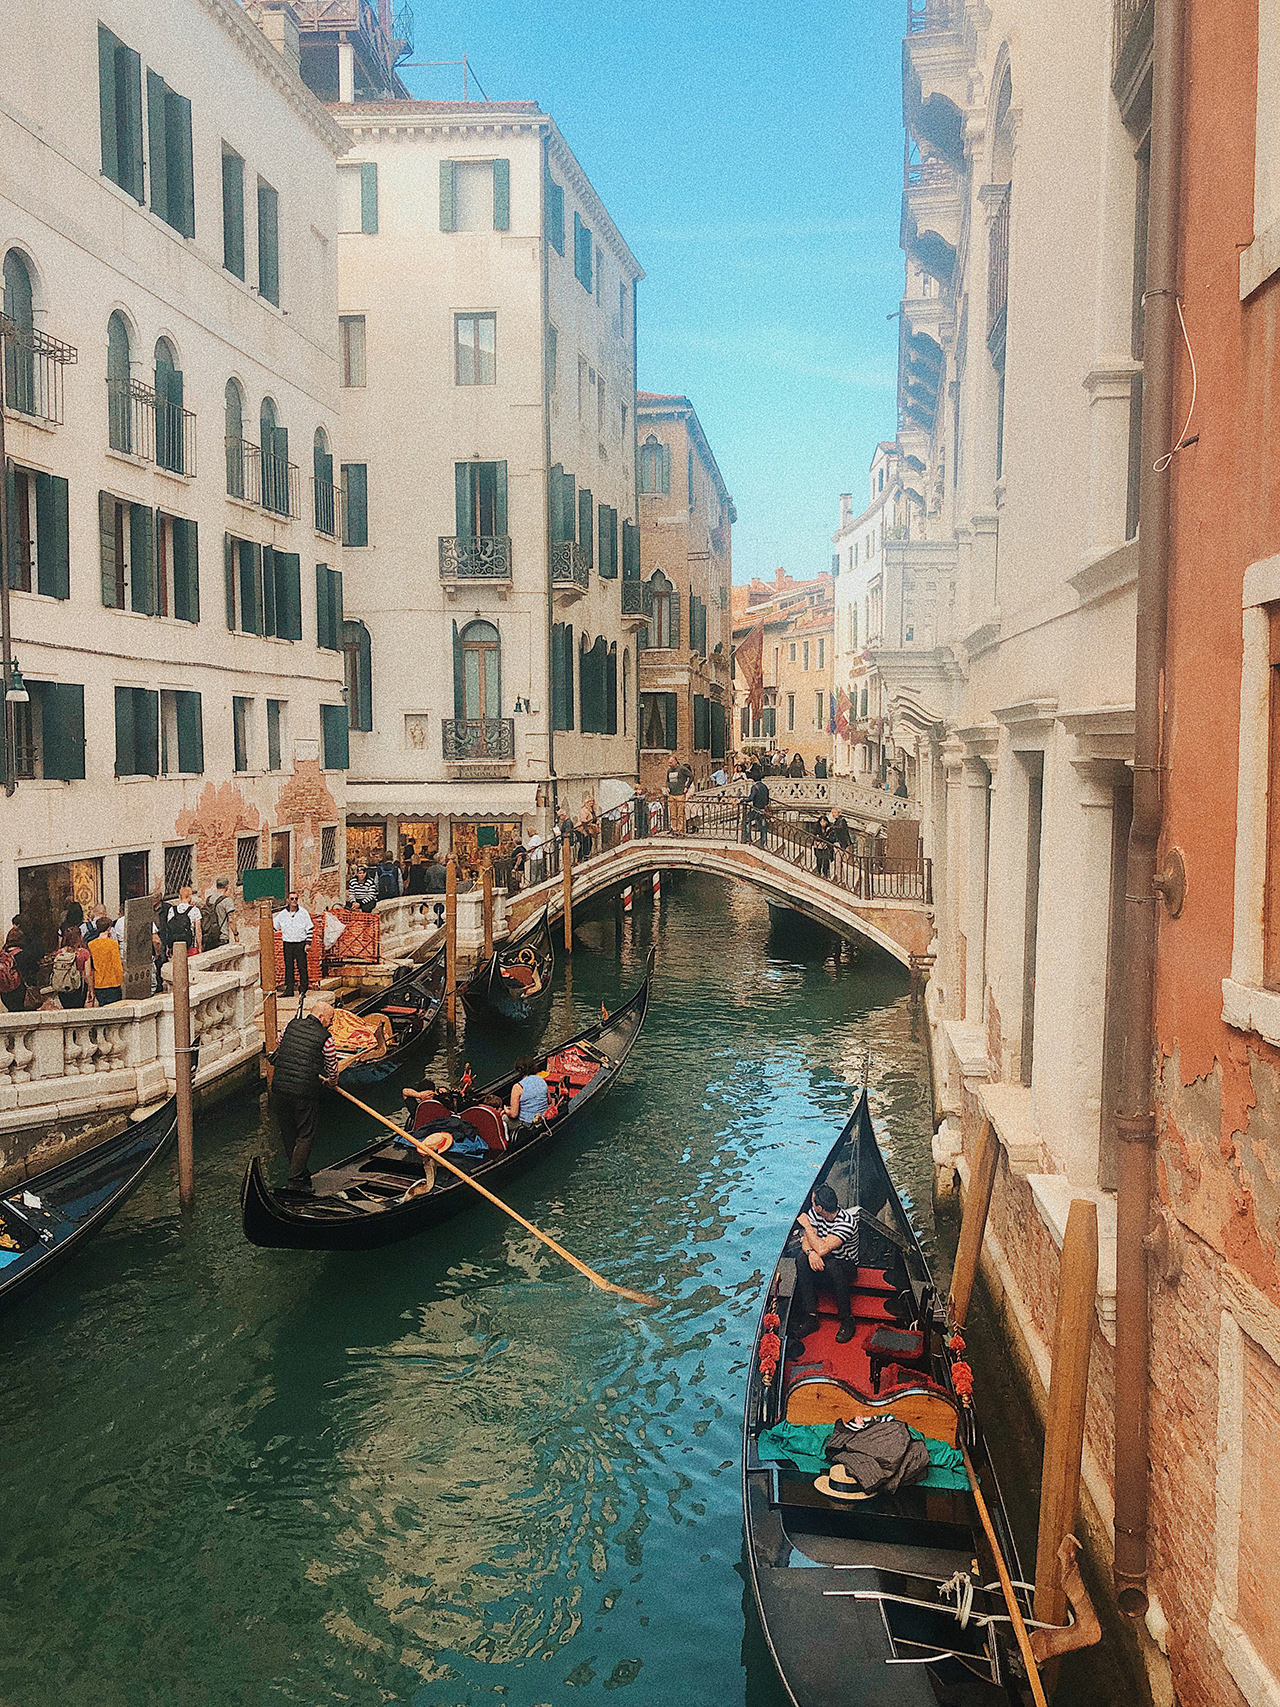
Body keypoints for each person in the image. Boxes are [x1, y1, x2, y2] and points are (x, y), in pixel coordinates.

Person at [267, 1001, 337, 1192]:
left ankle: (301, 1173)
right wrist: (332, 1082)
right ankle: (296, 1180)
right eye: (330, 1019)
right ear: (321, 1017)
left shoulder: (291, 1024)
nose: (331, 1023)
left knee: (289, 1132)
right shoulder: (326, 1039)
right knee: (305, 1135)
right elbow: (332, 1066)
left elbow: (281, 1043)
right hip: (304, 1092)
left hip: (279, 1088)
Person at [789, 1182, 861, 1348]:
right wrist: (810, 1253)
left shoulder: (847, 1223)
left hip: (845, 1266)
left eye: (813, 1202)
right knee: (801, 1258)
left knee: (833, 1265)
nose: (811, 1204)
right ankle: (811, 1316)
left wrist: (806, 1226)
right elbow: (807, 1242)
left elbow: (822, 1247)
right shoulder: (815, 1214)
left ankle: (846, 1319)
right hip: (820, 1262)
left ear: (820, 1207)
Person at [273, 893, 314, 997]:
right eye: (292, 899)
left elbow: (309, 928)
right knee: (289, 967)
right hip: (288, 944)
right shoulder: (282, 914)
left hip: (300, 943)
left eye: (296, 898)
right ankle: (289, 989)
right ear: (288, 900)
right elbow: (273, 927)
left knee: (302, 967)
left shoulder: (303, 913)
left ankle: (303, 989)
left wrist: (308, 943)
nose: (294, 900)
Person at [52, 925, 94, 1009]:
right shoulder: (84, 953)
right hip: (78, 987)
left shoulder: (60, 953)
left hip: (63, 986)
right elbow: (88, 974)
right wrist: (91, 989)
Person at [87, 910, 124, 1003]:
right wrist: (121, 981)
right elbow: (117, 965)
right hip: (113, 982)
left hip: (99, 983)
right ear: (109, 928)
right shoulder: (113, 944)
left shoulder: (91, 944)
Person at [506, 1055, 549, 1128]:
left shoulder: (518, 1087)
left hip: (526, 1125)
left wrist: (506, 1110)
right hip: (543, 1119)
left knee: (504, 1118)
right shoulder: (541, 1080)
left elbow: (513, 1114)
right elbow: (549, 1100)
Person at [159, 886, 203, 958]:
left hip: (175, 945)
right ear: (190, 897)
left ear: (180, 897)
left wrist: (168, 946)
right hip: (190, 945)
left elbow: (168, 928)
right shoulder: (195, 910)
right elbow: (198, 931)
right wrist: (200, 947)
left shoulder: (172, 910)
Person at [202, 878, 236, 950]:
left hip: (209, 938)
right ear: (227, 887)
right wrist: (236, 934)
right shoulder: (227, 900)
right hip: (222, 937)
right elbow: (231, 920)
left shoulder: (209, 899)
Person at [663, 757, 693, 833]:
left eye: (671, 762)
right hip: (672, 794)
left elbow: (691, 776)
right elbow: (667, 780)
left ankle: (681, 830)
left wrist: (687, 787)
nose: (669, 764)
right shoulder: (669, 771)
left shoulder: (682, 769)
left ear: (675, 762)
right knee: (672, 814)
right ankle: (674, 828)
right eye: (669, 763)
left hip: (680, 793)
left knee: (680, 814)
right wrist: (667, 787)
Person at [746, 773, 770, 845]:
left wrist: (743, 800)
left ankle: (747, 837)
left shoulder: (755, 787)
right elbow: (767, 799)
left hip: (756, 809)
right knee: (763, 825)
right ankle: (762, 841)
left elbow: (751, 798)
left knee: (747, 821)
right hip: (763, 809)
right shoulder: (765, 786)